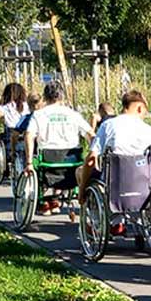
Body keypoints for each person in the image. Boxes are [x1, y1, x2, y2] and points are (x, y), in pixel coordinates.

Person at [78, 90, 151, 196]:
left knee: (79, 171)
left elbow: (90, 160)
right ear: (140, 108)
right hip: (143, 188)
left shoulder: (107, 125)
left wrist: (82, 190)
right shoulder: (150, 131)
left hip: (113, 185)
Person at [23, 83, 94, 215]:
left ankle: (43, 201)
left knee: (36, 164)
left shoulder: (39, 115)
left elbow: (29, 135)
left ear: (45, 97)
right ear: (62, 96)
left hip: (48, 161)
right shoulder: (73, 114)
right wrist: (93, 152)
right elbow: (90, 134)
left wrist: (29, 163)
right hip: (72, 161)